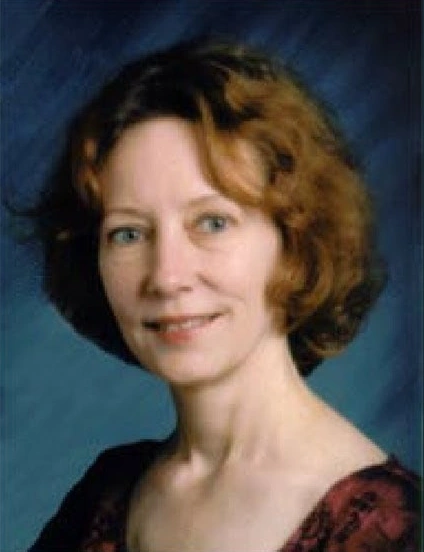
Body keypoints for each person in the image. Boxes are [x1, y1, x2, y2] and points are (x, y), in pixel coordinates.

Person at [28, 37, 419, 551]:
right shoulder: (105, 492)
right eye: (128, 233)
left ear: (294, 241)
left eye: (212, 222)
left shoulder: (391, 531)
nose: (166, 276)